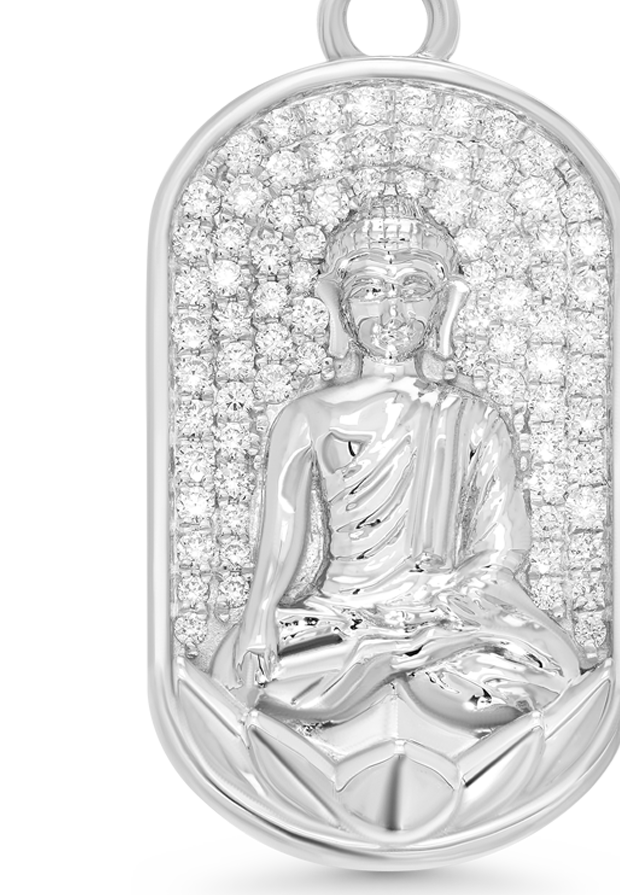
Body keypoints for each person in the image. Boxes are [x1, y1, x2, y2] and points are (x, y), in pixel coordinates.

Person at [208, 199, 581, 737]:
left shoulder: (470, 415)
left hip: (443, 616)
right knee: (234, 669)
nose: (392, 313)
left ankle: (391, 661)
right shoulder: (309, 413)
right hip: (339, 617)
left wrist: (440, 609)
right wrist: (260, 616)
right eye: (370, 290)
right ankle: (393, 661)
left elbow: (500, 552)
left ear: (444, 303)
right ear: (338, 304)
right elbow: (283, 528)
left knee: (557, 671)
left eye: (413, 289)